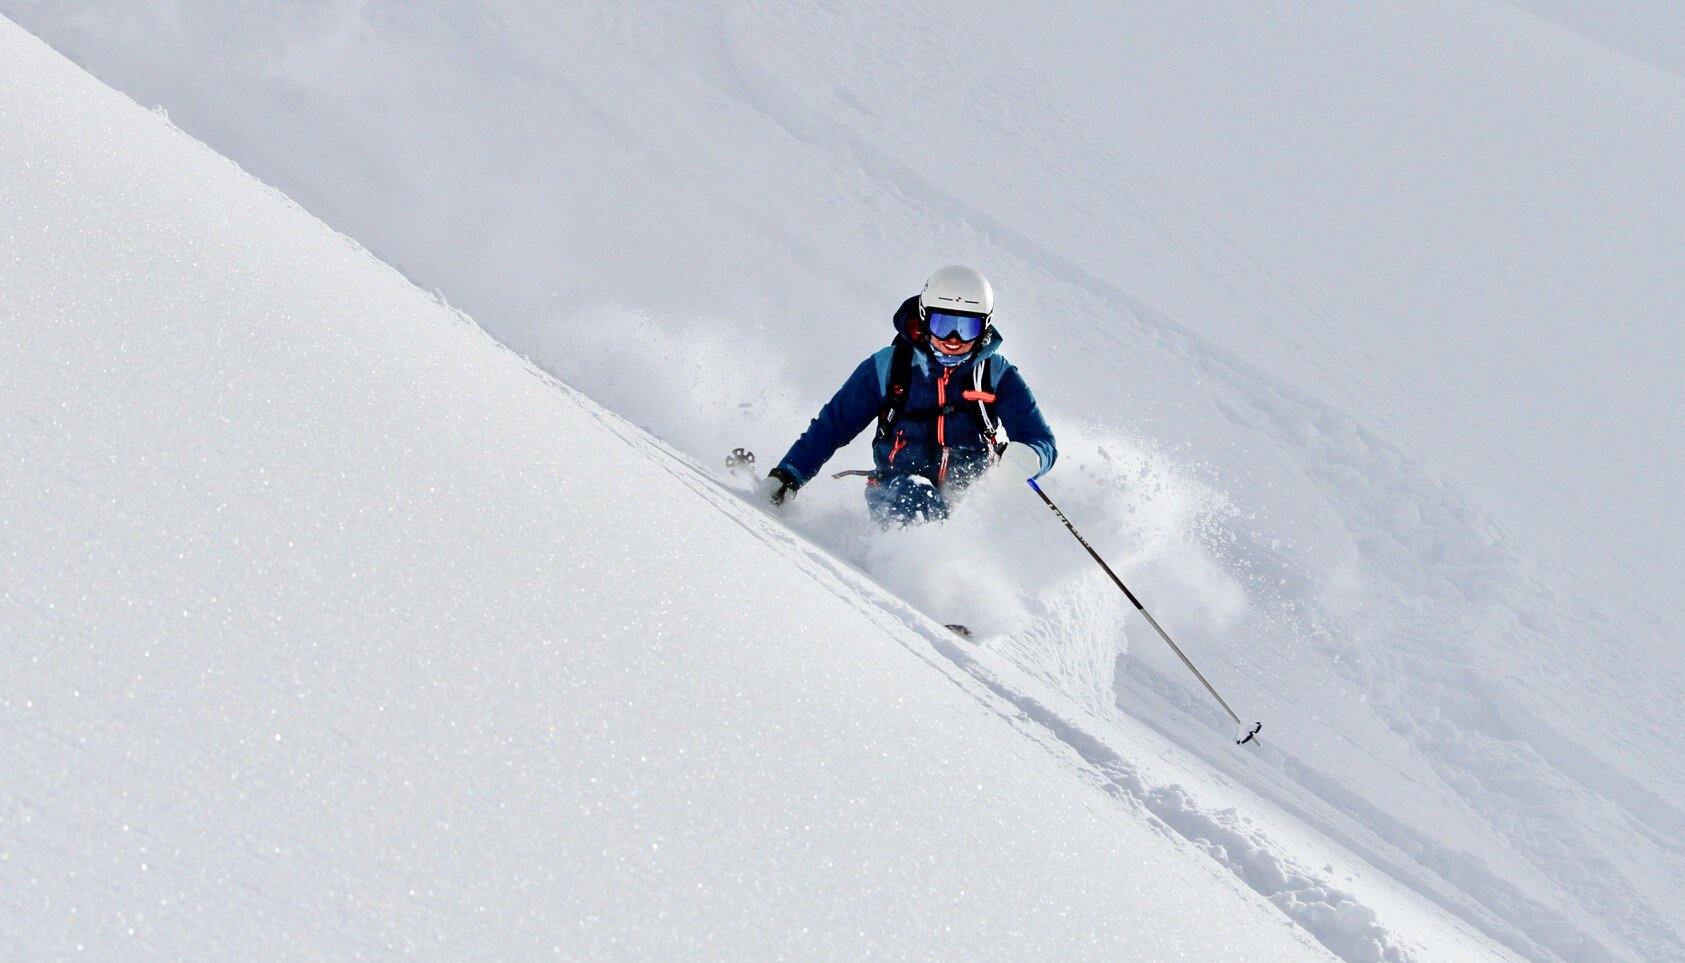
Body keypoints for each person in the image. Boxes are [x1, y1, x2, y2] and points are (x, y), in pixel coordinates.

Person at [756, 265, 1056, 525]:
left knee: (988, 524)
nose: (953, 339)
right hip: (896, 490)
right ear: (925, 318)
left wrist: (1033, 457)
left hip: (970, 501)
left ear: (985, 327)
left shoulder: (996, 374)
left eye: (967, 327)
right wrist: (790, 473)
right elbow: (834, 424)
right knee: (917, 496)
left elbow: (1042, 440)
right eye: (943, 324)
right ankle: (922, 573)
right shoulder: (889, 366)